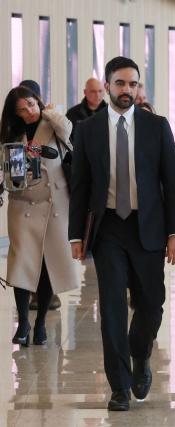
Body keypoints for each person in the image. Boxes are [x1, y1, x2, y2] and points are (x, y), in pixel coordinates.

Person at [69, 56, 175, 411]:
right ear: (107, 87)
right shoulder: (88, 130)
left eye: (133, 84)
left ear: (138, 88)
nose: (127, 90)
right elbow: (81, 184)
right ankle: (119, 386)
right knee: (114, 307)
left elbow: (172, 182)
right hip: (108, 230)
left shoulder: (156, 126)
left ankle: (140, 353)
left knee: (151, 303)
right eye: (120, 84)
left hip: (147, 226)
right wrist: (76, 236)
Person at [0, 86, 80, 347]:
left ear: (39, 102)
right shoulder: (11, 134)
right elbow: (8, 173)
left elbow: (69, 132)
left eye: (31, 105)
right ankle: (23, 322)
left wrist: (51, 112)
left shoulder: (52, 123)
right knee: (22, 262)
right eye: (22, 109)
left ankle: (41, 322)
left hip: (56, 204)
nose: (29, 112)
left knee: (50, 266)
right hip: (23, 204)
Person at [66, 77, 107, 142]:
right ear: (85, 92)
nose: (97, 95)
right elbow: (68, 139)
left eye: (100, 91)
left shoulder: (110, 112)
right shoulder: (72, 113)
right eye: (93, 91)